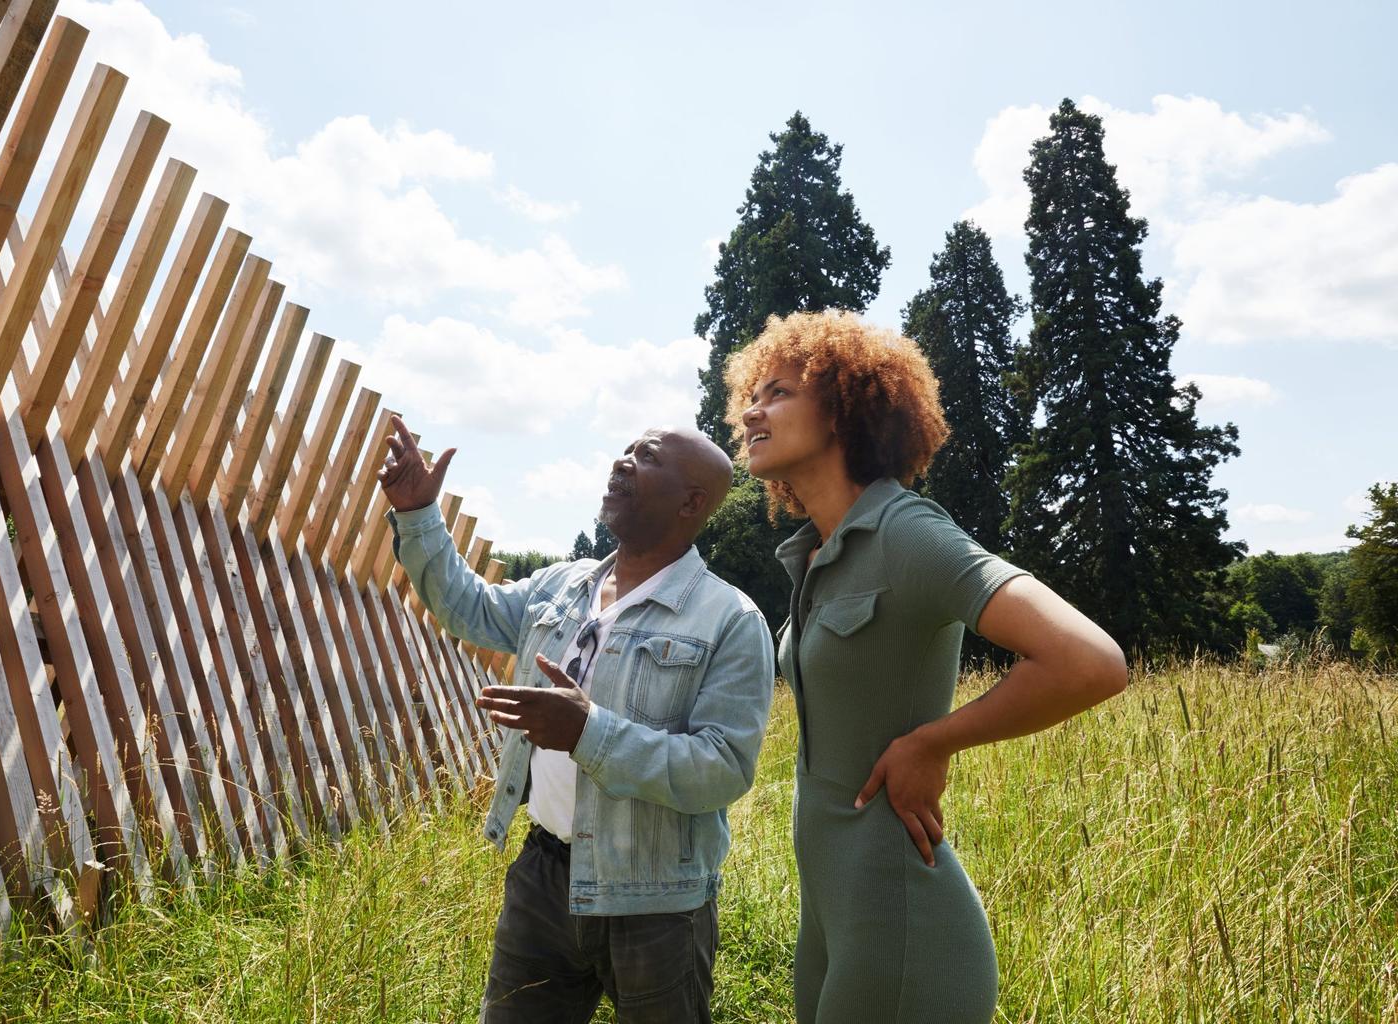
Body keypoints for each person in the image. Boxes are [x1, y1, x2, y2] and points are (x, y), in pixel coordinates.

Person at [724, 311, 1128, 1024]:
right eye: (750, 395)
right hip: (832, 918)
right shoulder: (816, 555)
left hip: (901, 927)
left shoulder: (907, 532)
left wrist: (933, 742)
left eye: (778, 391)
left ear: (844, 409)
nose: (751, 410)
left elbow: (1090, 661)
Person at [378, 416, 775, 1024]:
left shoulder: (730, 620)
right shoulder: (564, 585)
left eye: (646, 457)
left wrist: (590, 733)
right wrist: (420, 516)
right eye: (624, 449)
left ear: (691, 502)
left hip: (657, 899)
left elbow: (721, 770)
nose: (622, 461)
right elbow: (470, 608)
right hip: (545, 876)